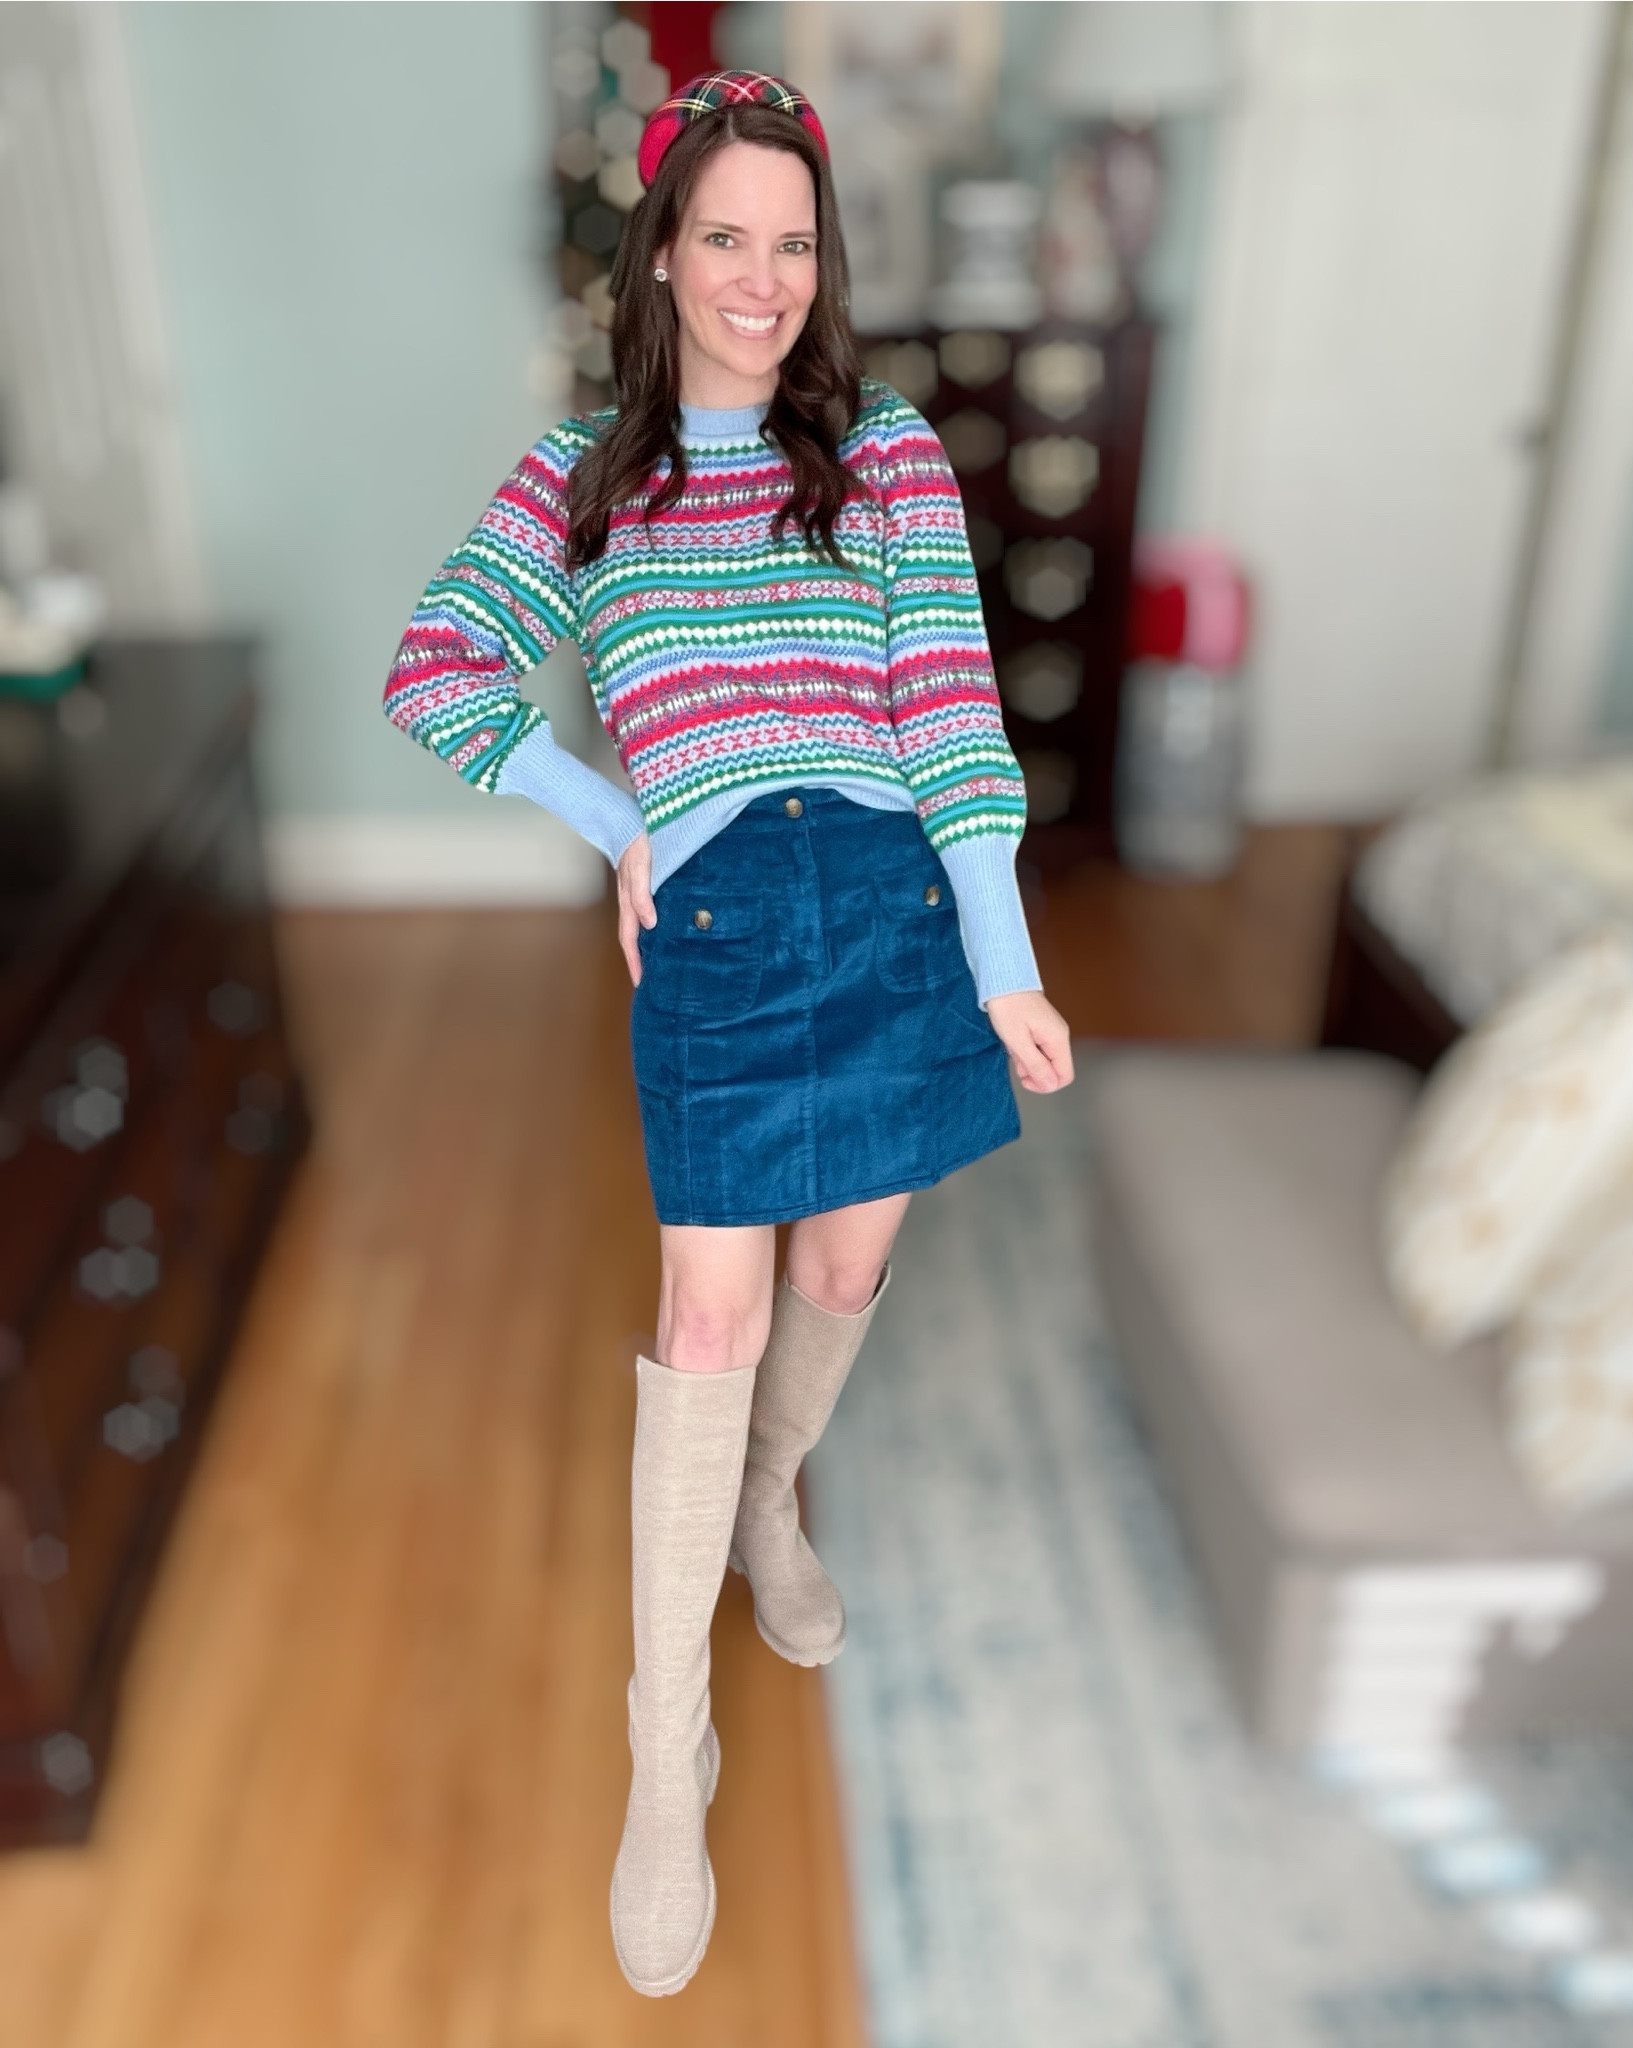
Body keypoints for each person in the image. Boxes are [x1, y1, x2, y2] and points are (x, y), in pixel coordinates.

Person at [383, 68, 1073, 1997]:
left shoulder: (889, 453)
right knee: (710, 1319)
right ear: (664, 257)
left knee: (842, 1272)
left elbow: (951, 714)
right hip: (717, 919)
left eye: (793, 244)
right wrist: (615, 820)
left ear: (818, 264)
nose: (761, 280)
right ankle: (662, 1750)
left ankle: (772, 1497)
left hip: (896, 904)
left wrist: (1004, 959)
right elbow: (432, 666)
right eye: (724, 239)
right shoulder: (582, 476)